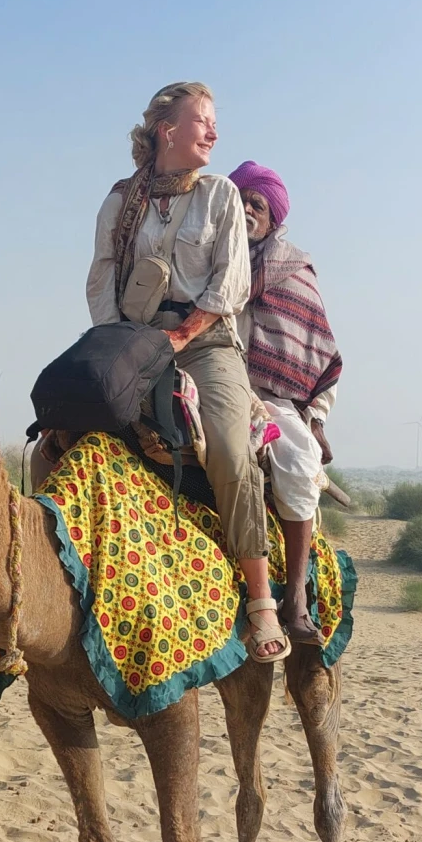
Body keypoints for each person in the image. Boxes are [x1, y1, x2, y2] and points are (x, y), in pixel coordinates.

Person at [86, 81, 289, 662]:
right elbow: (102, 281)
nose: (214, 132)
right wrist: (115, 344)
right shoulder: (119, 202)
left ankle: (260, 598)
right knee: (66, 427)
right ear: (165, 130)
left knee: (226, 448)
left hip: (206, 342)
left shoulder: (220, 194)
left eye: (214, 121)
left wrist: (181, 334)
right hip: (133, 340)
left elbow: (231, 283)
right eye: (202, 120)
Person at [228, 160, 342, 644]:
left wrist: (314, 417)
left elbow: (320, 350)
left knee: (297, 457)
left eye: (256, 204)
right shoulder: (211, 257)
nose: (248, 210)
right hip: (208, 378)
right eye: (240, 202)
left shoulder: (296, 269)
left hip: (273, 400)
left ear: (273, 217)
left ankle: (293, 597)